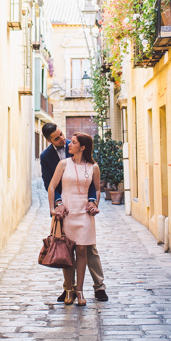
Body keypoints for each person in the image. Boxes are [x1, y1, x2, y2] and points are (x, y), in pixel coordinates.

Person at [39, 123, 108, 302]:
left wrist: (93, 201)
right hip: (64, 208)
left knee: (87, 250)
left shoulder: (76, 144)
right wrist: (57, 205)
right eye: (57, 138)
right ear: (49, 140)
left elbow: (93, 185)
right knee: (65, 251)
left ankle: (97, 286)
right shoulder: (47, 157)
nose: (63, 139)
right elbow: (50, 184)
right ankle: (68, 288)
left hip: (82, 210)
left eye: (62, 134)